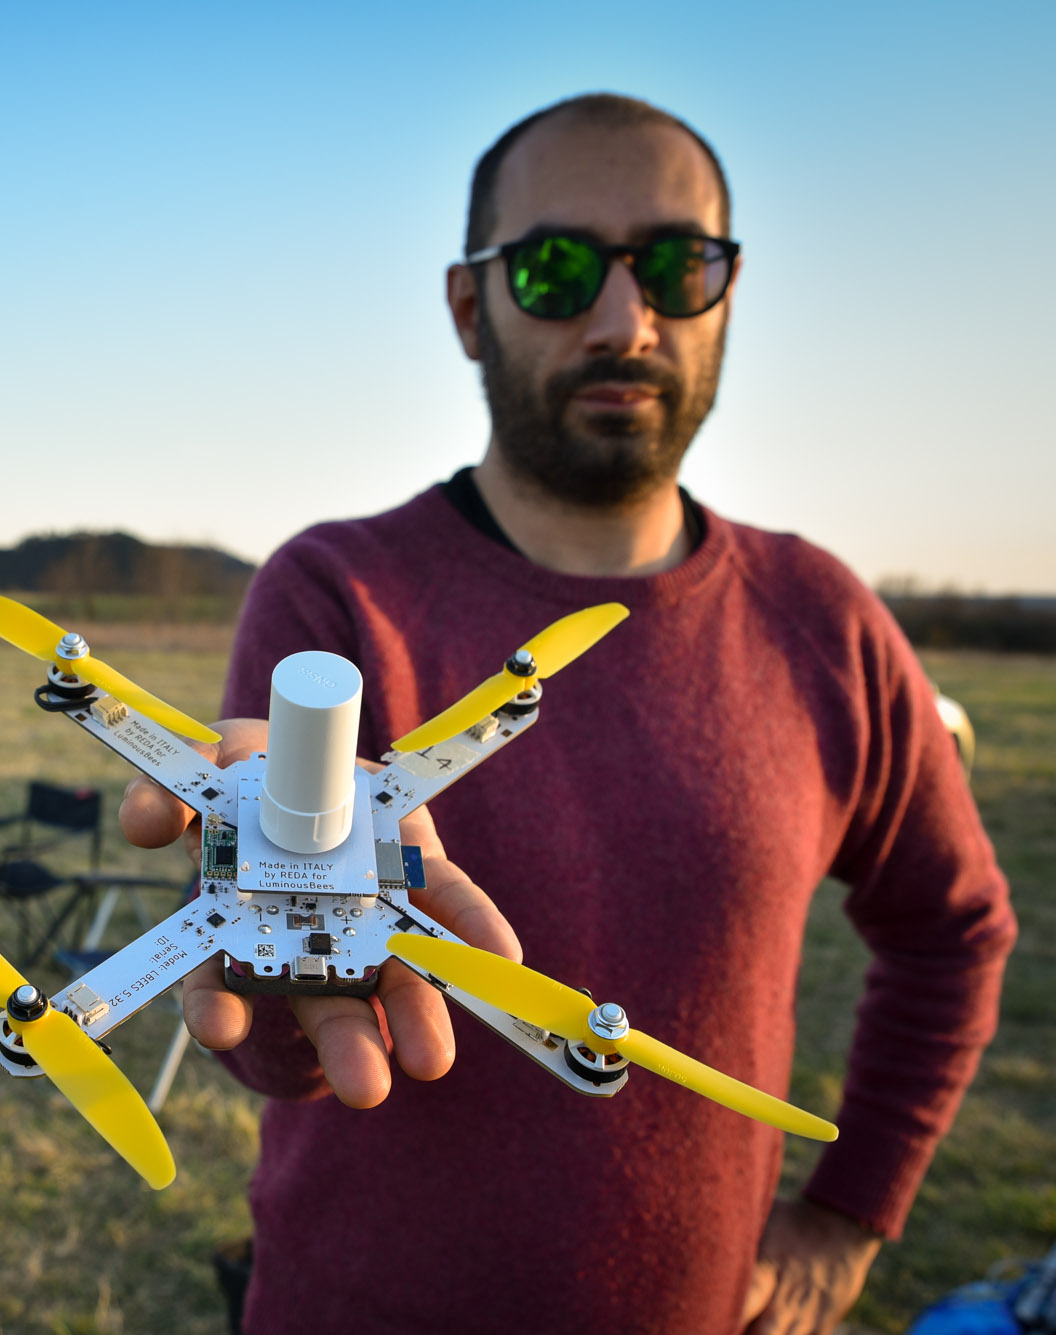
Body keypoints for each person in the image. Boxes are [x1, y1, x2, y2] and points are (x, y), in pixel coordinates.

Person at [120, 93, 1015, 1335]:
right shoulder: (336, 596)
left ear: (726, 292)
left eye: (673, 265)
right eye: (552, 268)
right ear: (466, 306)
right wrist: (273, 952)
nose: (621, 319)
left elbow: (953, 930)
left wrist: (849, 1212)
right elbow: (281, 1051)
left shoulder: (824, 620)